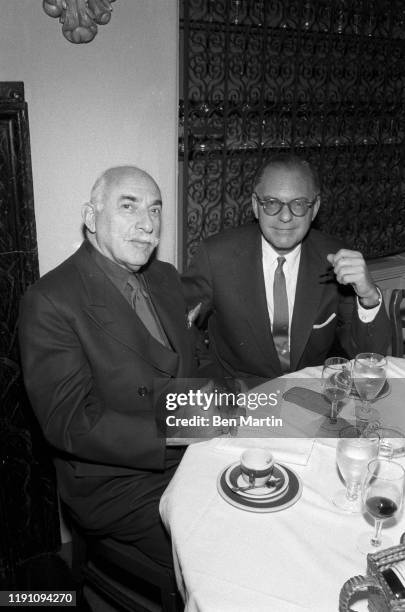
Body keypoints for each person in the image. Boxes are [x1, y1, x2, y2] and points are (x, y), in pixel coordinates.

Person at [18, 166, 218, 570]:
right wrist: (181, 430)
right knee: (221, 549)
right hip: (118, 483)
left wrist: (225, 402)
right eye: (129, 207)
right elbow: (71, 422)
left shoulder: (163, 275)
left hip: (193, 453)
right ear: (91, 218)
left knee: (272, 506)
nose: (148, 224)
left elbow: (188, 359)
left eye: (156, 209)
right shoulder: (51, 300)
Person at [182, 154, 390, 383]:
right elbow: (180, 326)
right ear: (255, 205)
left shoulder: (335, 258)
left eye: (299, 204)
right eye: (272, 203)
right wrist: (209, 379)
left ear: (315, 208)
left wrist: (369, 296)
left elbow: (369, 356)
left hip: (310, 396)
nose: (285, 216)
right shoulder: (216, 256)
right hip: (240, 399)